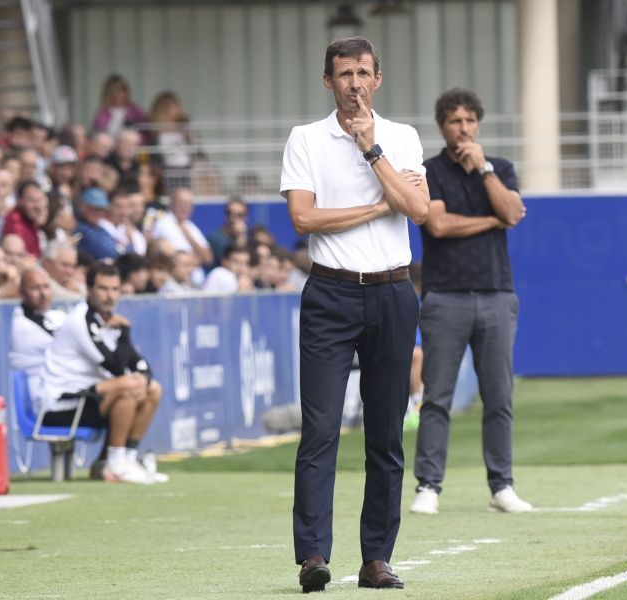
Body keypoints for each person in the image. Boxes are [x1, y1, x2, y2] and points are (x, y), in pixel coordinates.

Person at [280, 36, 429, 592]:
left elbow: (418, 210)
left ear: (378, 79)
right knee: (319, 430)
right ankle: (313, 556)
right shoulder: (305, 139)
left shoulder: (401, 137)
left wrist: (372, 149)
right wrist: (375, 206)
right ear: (328, 81)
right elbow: (303, 218)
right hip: (330, 294)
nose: (354, 83)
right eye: (344, 74)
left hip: (392, 292)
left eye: (363, 72)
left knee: (385, 434)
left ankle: (375, 559)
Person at [408, 88, 529, 516]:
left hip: (497, 293)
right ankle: (429, 486)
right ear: (443, 125)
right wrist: (492, 220)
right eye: (456, 121)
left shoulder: (501, 168)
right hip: (445, 296)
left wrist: (484, 172)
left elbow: (512, 213)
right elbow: (437, 225)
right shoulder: (430, 171)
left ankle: (502, 485)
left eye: (470, 121)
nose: (464, 129)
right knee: (436, 395)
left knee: (499, 395)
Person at [39, 261, 167, 484]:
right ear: (89, 290)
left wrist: (144, 378)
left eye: (115, 289)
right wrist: (125, 334)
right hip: (63, 404)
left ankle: (127, 458)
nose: (110, 295)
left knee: (153, 389)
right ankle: (115, 463)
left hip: (90, 399)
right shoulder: (81, 320)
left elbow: (139, 363)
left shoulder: (108, 321)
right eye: (103, 289)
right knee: (127, 386)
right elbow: (115, 366)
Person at [9, 269, 66, 410]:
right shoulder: (21, 325)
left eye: (46, 287)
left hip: (65, 390)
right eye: (34, 288)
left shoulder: (56, 315)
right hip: (45, 401)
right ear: (21, 293)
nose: (43, 294)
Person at [92, 75, 148, 140]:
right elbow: (97, 134)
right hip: (109, 148)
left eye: (124, 90)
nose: (122, 95)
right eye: (118, 91)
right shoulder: (103, 113)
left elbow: (145, 130)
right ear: (110, 94)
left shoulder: (134, 110)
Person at [2, 180, 48, 258]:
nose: (38, 206)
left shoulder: (31, 221)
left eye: (39, 200)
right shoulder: (15, 221)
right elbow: (22, 258)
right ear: (20, 201)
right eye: (32, 201)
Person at [75, 187, 119, 260]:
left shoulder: (100, 227)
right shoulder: (79, 227)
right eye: (94, 208)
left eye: (101, 209)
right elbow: (107, 253)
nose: (99, 213)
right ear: (83, 206)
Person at [206, 196, 248, 270]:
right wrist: (240, 235)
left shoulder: (247, 239)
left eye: (239, 215)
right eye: (230, 213)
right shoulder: (215, 238)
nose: (234, 218)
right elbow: (236, 261)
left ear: (245, 217)